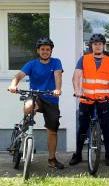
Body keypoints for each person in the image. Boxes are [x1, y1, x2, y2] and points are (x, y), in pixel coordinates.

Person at [8, 37, 64, 169]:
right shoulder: (32, 64)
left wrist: (57, 89)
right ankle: (24, 129)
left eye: (48, 49)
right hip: (36, 95)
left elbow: (58, 76)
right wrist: (13, 85)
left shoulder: (56, 62)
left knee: (52, 131)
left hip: (51, 98)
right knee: (29, 106)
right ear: (38, 51)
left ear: (51, 51)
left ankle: (52, 159)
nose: (45, 51)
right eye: (42, 49)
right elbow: (19, 76)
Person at [69, 33, 109, 166]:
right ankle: (78, 154)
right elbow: (76, 76)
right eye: (95, 44)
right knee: (83, 128)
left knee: (106, 127)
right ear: (91, 46)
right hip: (86, 99)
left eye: (100, 44)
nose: (97, 46)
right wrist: (77, 90)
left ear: (103, 45)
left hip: (103, 100)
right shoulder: (83, 59)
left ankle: (108, 153)